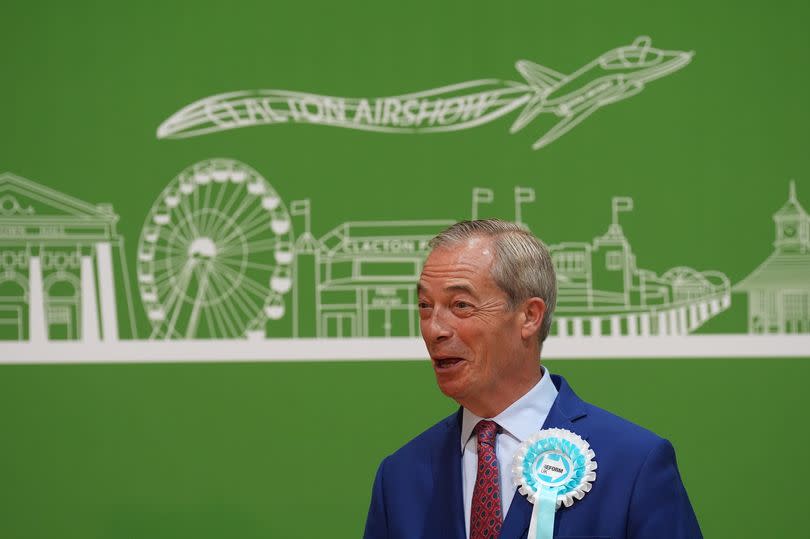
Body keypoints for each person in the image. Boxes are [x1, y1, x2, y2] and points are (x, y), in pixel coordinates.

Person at [363, 219, 702, 539]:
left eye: (461, 305)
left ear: (529, 316)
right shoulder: (399, 477)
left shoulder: (633, 465)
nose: (434, 329)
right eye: (425, 306)